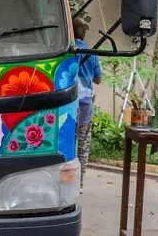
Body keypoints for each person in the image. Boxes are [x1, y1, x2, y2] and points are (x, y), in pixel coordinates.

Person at [73, 18, 102, 189]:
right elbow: (98, 79)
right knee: (83, 145)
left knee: (68, 142)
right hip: (85, 105)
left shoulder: (68, 52)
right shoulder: (91, 53)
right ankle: (80, 183)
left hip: (67, 104)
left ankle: (65, 180)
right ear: (84, 34)